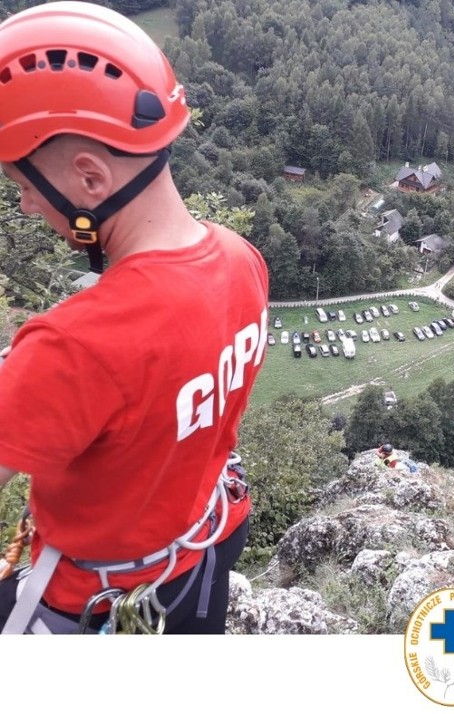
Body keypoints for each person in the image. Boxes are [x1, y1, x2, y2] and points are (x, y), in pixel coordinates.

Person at [0, 1, 269, 634]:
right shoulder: (242, 261)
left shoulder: (75, 344)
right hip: (202, 552)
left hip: (86, 604)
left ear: (90, 177)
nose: (24, 202)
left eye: (24, 181)